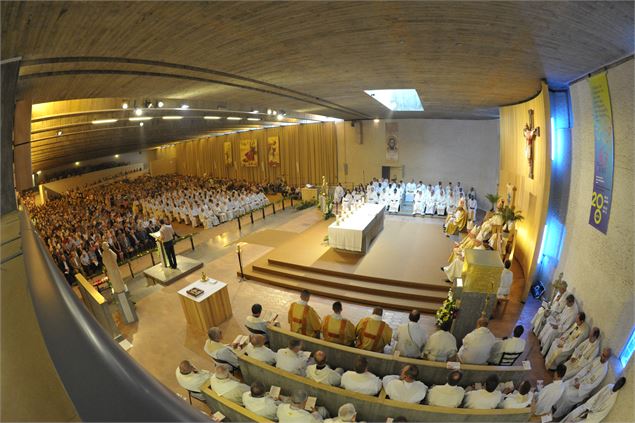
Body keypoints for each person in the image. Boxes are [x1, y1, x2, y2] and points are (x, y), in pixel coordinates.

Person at [553, 348, 612, 419]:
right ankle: (555, 405)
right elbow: (586, 369)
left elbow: (594, 385)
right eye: (602, 354)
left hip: (584, 390)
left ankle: (559, 412)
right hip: (580, 379)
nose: (602, 357)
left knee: (567, 395)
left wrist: (581, 387)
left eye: (605, 356)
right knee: (564, 385)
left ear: (608, 358)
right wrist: (577, 377)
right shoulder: (597, 359)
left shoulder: (603, 370)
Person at [562, 377, 626, 423]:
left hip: (593, 417)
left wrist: (588, 415)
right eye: (618, 381)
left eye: (620, 384)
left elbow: (602, 413)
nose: (617, 384)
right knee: (573, 414)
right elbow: (596, 396)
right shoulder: (609, 386)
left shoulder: (613, 399)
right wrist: (587, 408)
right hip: (589, 406)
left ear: (620, 387)